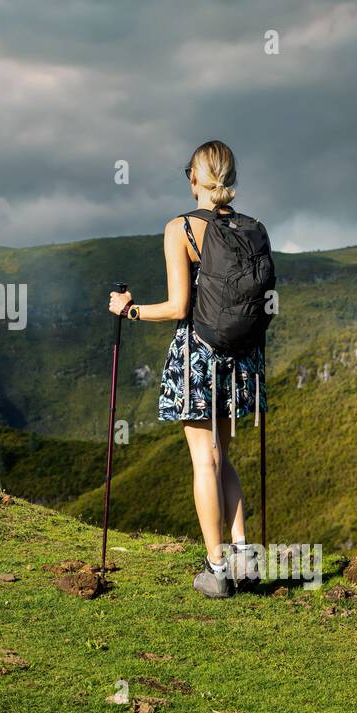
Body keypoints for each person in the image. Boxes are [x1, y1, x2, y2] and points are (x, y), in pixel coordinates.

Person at [107, 140, 266, 598]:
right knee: (225, 457)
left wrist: (129, 311)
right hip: (242, 358)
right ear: (231, 179)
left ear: (194, 178)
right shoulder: (253, 229)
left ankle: (216, 568)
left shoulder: (181, 228)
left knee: (204, 458)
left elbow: (179, 306)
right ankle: (243, 556)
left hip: (200, 355)